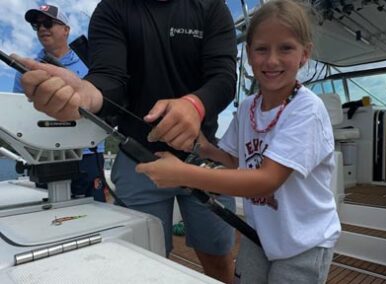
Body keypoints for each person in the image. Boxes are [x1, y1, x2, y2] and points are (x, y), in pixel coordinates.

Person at [17, 0, 237, 282]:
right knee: (143, 264)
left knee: (219, 260)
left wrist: (195, 105)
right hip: (138, 162)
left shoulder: (211, 7)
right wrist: (84, 95)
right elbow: (110, 79)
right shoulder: (111, 9)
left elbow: (223, 77)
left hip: (203, 160)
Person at [136, 0, 341, 283]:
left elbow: (267, 179)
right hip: (260, 237)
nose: (271, 60)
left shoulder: (308, 110)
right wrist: (202, 145)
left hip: (303, 243)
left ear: (304, 54)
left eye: (285, 48)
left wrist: (183, 174)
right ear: (248, 53)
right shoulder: (248, 108)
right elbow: (234, 160)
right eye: (261, 49)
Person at [13, 4, 107, 202]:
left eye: (48, 23)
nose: (42, 28)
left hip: (88, 152)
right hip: (46, 153)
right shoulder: (25, 70)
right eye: (36, 26)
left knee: (95, 209)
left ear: (66, 29)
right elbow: (19, 111)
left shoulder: (92, 62)